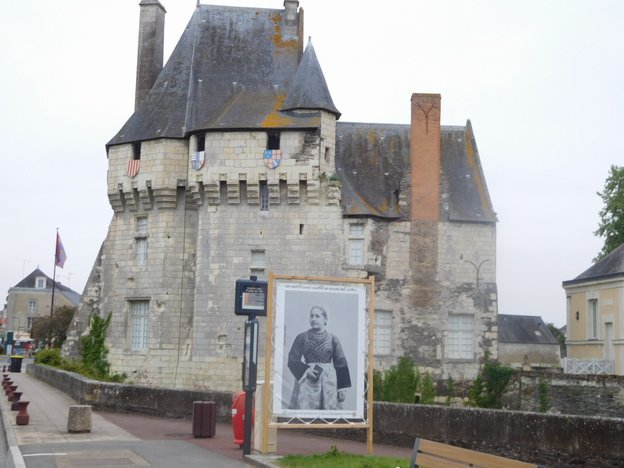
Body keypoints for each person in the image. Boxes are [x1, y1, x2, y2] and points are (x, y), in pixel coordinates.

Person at [287, 305, 351, 410]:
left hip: (329, 381)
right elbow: (292, 359)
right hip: (308, 380)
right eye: (311, 316)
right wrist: (306, 371)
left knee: (328, 411)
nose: (313, 319)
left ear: (325, 319)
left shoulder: (333, 339)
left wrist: (342, 388)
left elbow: (341, 363)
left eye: (317, 316)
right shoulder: (302, 337)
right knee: (306, 411)